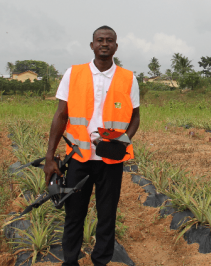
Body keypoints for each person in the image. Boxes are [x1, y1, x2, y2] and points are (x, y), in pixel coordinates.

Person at [43, 25, 140, 266]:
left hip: (111, 160)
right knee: (74, 215)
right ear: (92, 45)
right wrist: (49, 156)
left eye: (109, 40)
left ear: (116, 46)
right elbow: (60, 115)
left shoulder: (128, 78)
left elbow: (135, 117)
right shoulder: (73, 74)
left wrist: (121, 142)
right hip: (78, 157)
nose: (104, 44)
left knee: (107, 216)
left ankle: (101, 261)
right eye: (99, 40)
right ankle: (70, 261)